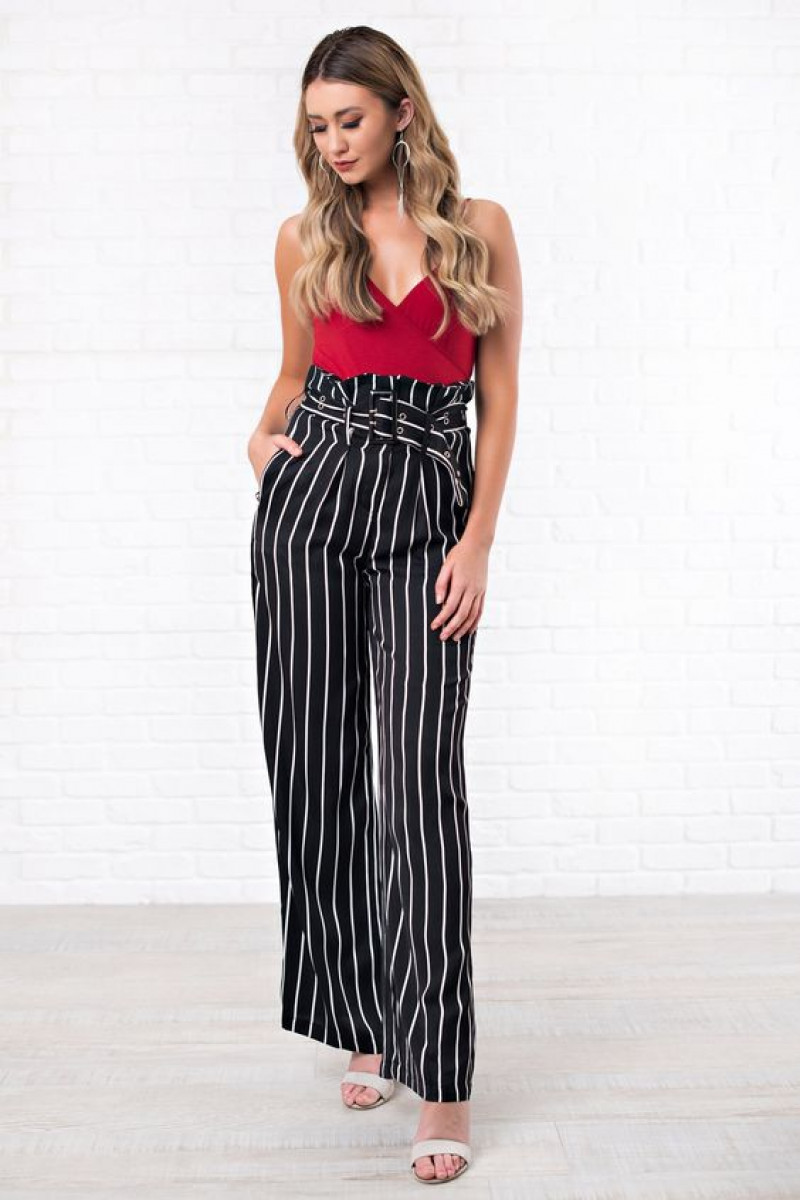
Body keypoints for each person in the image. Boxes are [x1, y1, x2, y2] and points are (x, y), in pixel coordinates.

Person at [247, 26, 521, 1186]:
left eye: (348, 119)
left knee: (416, 785)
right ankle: (364, 1015)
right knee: (316, 771)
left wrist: (477, 541)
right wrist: (260, 442)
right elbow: (291, 376)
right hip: (310, 510)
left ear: (401, 109)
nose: (333, 142)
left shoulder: (479, 230)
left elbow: (498, 400)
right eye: (317, 126)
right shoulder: (303, 238)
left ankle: (440, 1071)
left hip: (426, 513)